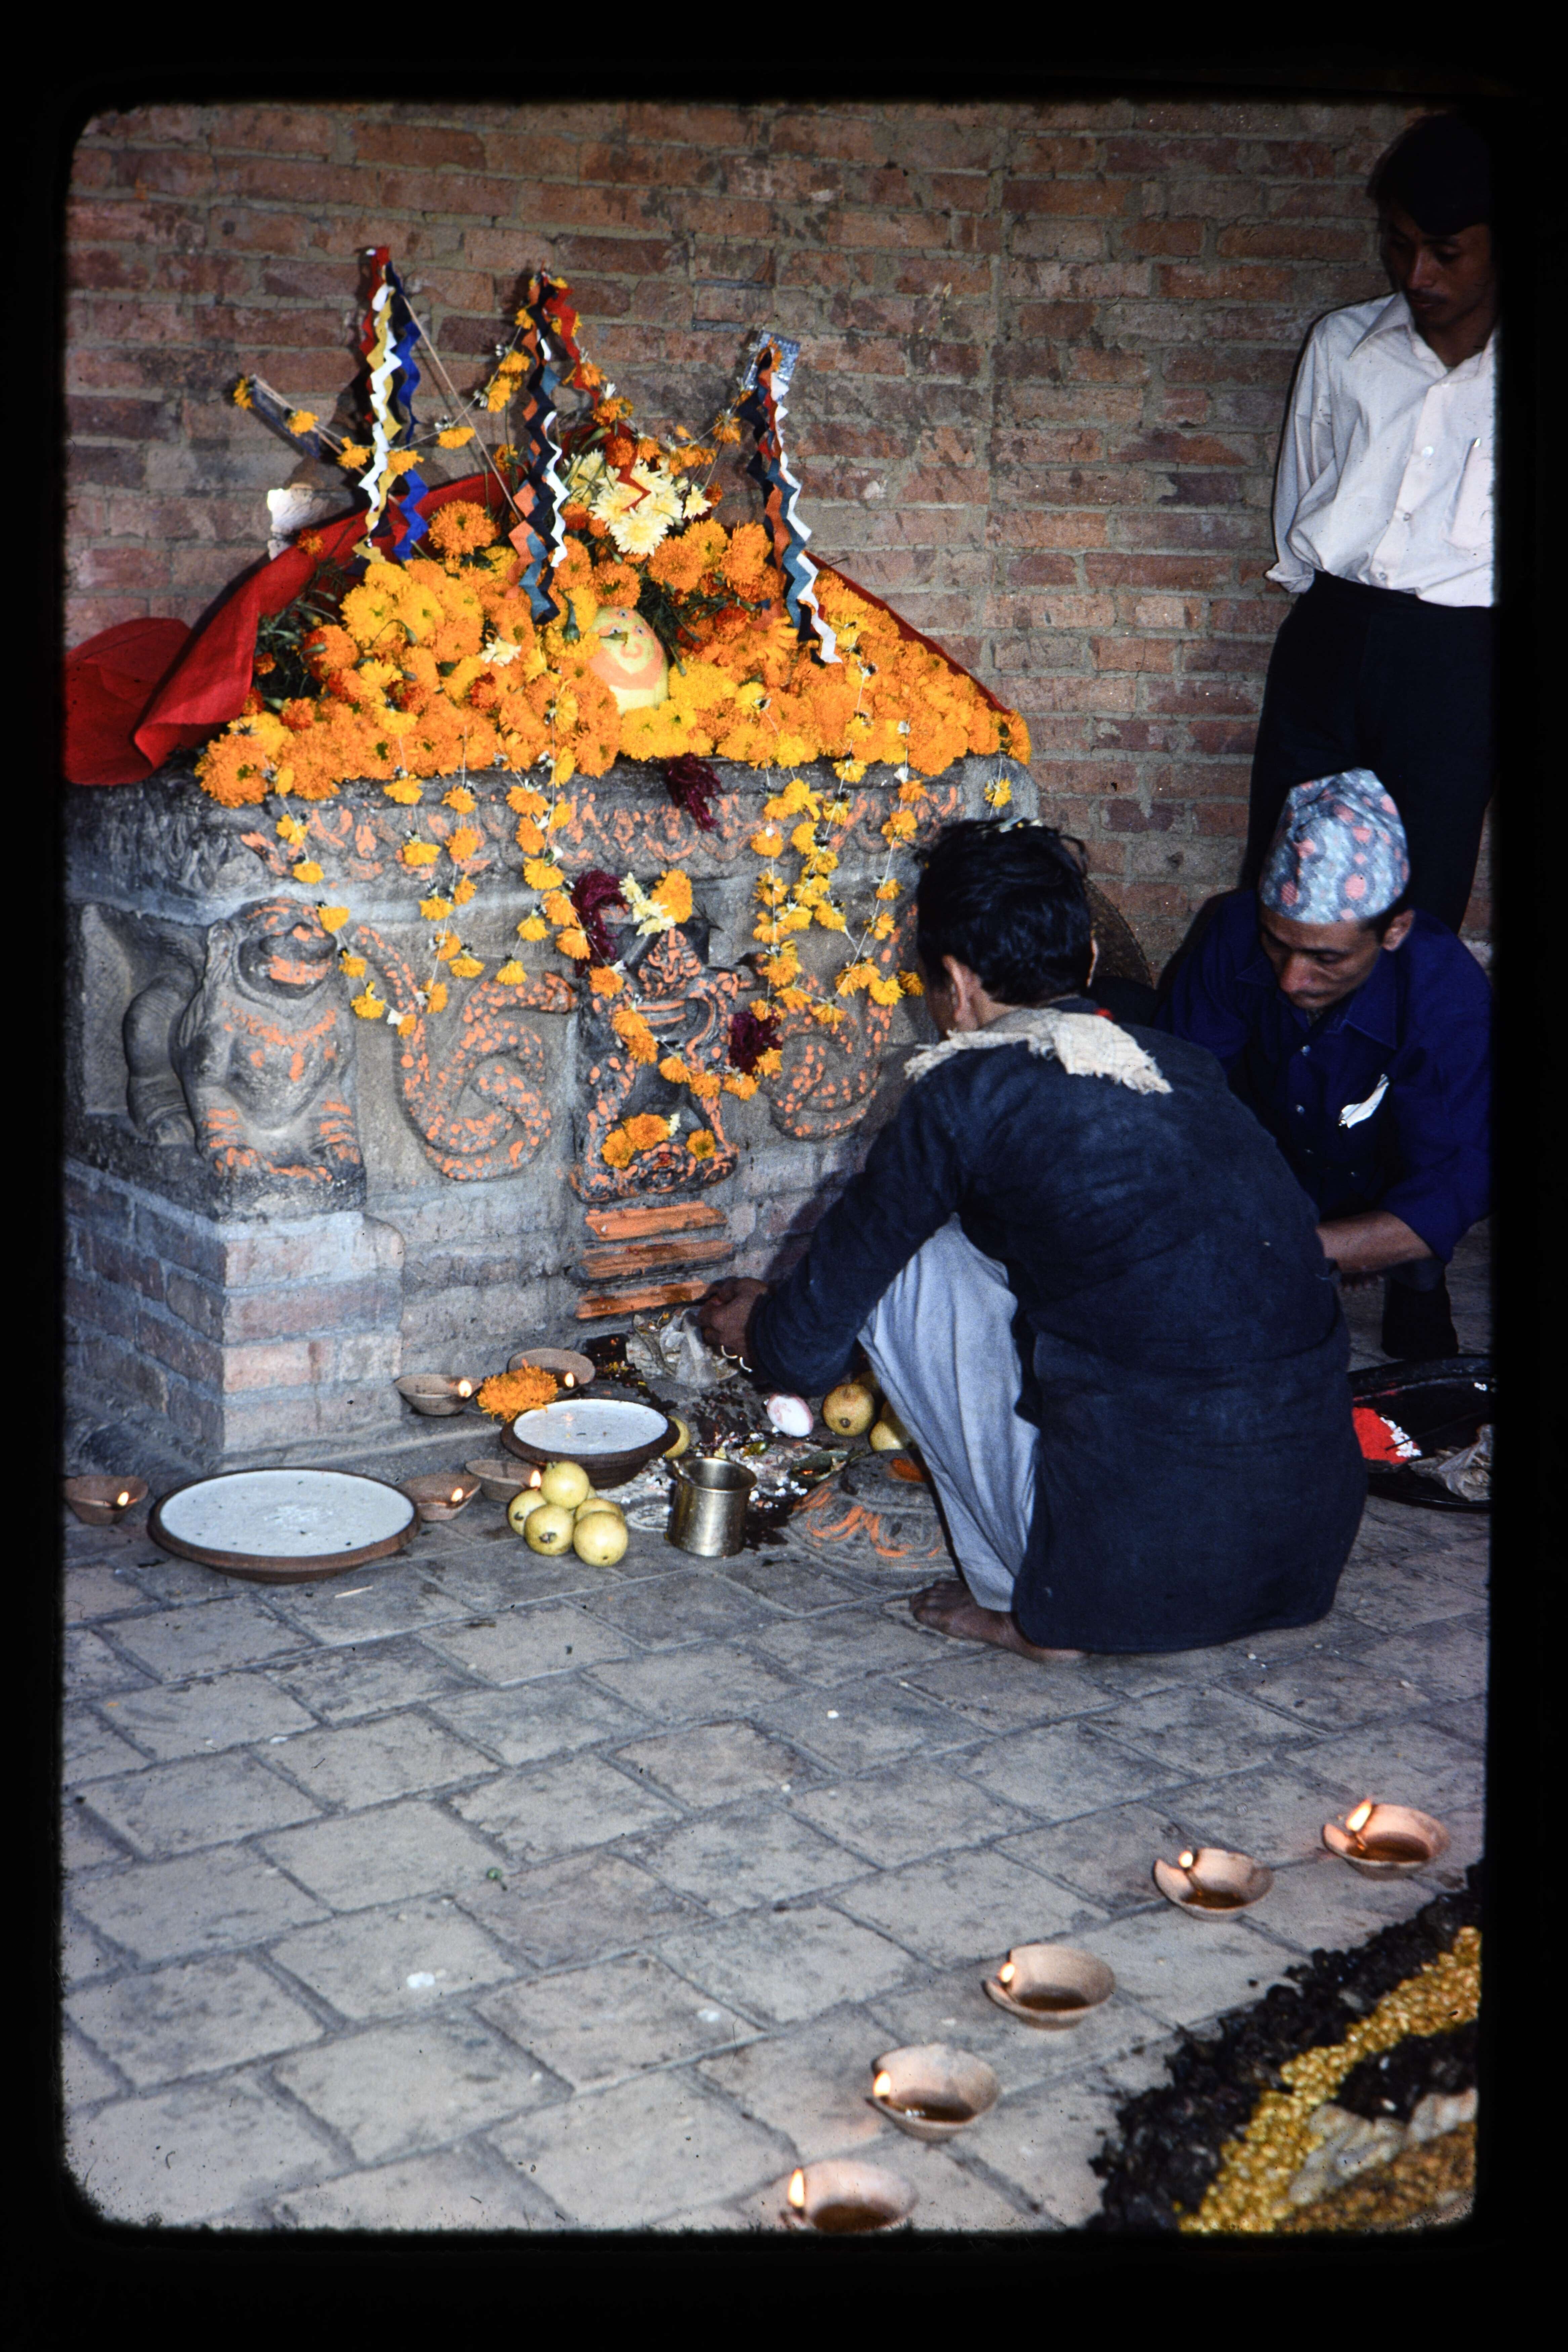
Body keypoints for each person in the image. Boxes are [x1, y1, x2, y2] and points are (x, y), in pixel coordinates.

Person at [699, 819, 1365, 1660]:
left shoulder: (962, 1091)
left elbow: (804, 1350)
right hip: (1302, 1561)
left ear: (954, 983)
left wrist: (760, 1326)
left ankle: (1031, 1609)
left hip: (1128, 1586)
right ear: (1090, 959)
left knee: (911, 1262)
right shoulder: (1180, 1066)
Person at [1242, 113, 1497, 934]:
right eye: (1400, 244)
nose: (1418, 273)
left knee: (1420, 895)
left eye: (1446, 252)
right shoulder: (1343, 345)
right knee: (1285, 872)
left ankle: (1402, 1027)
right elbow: (1306, 483)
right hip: (1331, 632)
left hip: (1461, 658)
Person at [1161, 772, 1490, 1362]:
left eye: (1326, 958)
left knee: (1419, 1336)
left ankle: (1413, 1277)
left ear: (1394, 930)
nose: (1292, 980)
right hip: (1273, 1156)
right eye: (1277, 944)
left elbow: (1454, 1182)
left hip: (1383, 1172)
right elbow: (1180, 1093)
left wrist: (1303, 1249)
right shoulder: (1233, 927)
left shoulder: (1445, 992)